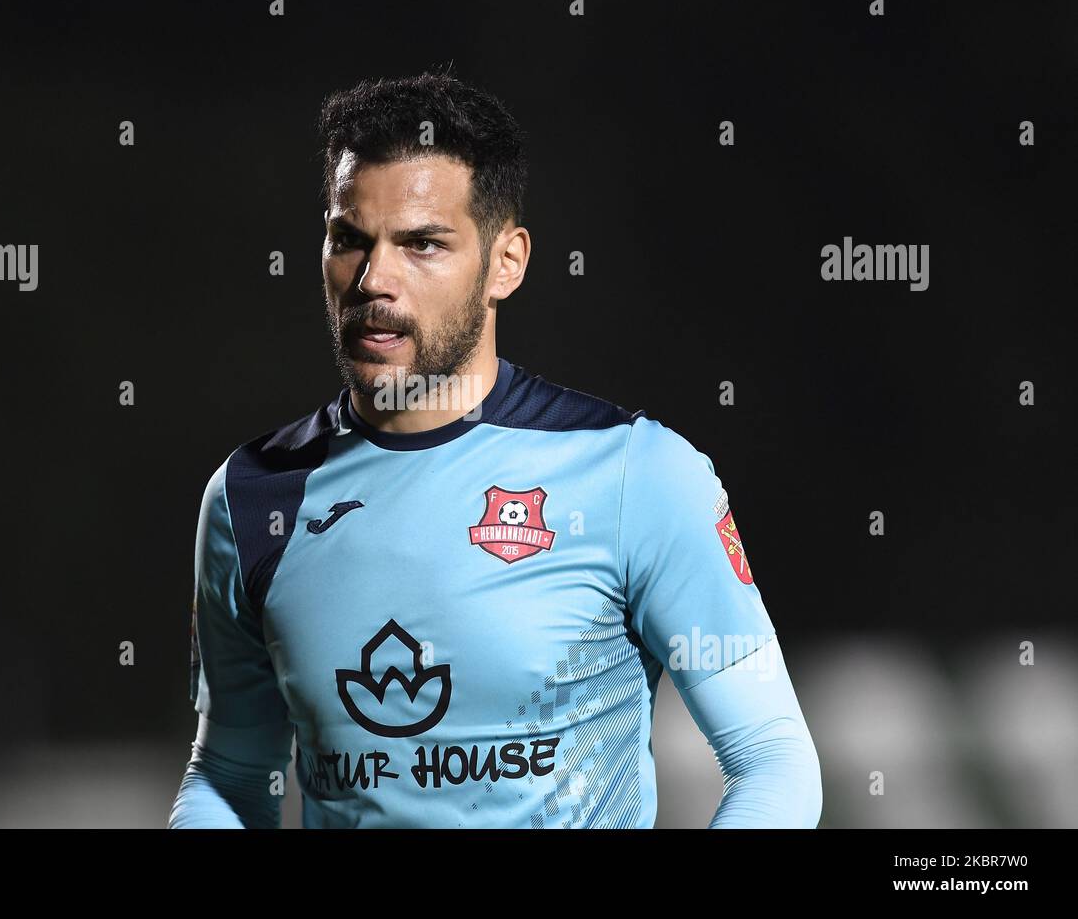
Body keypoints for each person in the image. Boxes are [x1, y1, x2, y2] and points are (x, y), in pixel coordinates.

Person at [168, 70, 821, 828]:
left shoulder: (634, 474)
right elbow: (228, 775)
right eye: (350, 240)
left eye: (422, 244)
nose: (375, 278)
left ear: (505, 262)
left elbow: (773, 758)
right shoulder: (250, 499)